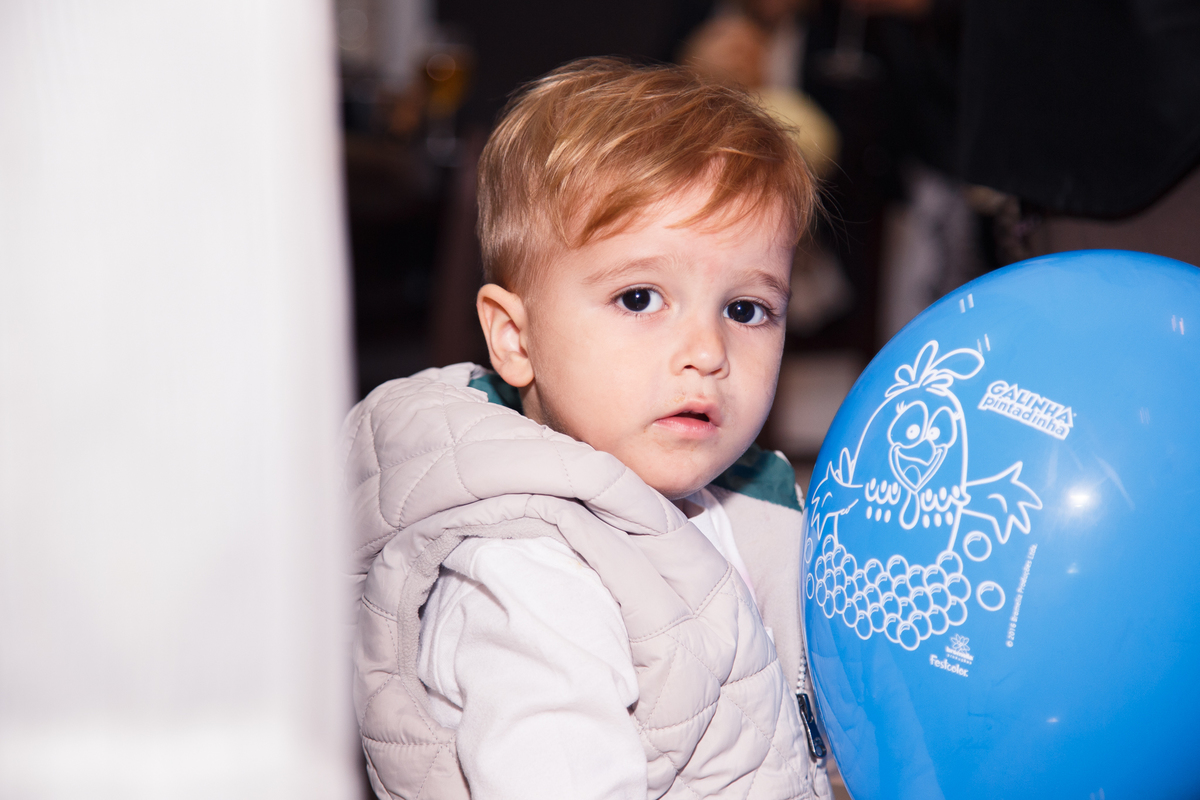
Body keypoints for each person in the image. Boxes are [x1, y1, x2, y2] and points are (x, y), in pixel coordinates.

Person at [343, 57, 834, 800]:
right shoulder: (528, 583)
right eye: (639, 298)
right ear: (515, 338)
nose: (708, 352)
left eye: (746, 310)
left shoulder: (749, 505)